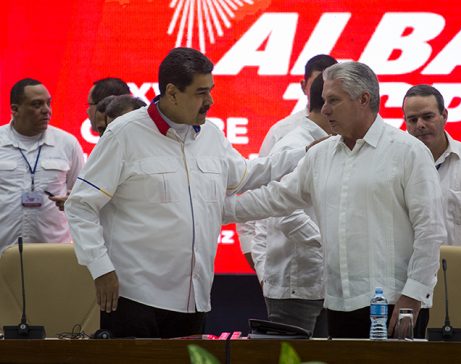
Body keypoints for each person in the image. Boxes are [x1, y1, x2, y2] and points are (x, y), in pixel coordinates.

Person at [64, 47, 305, 339]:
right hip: (134, 298)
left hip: (195, 299)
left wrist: (304, 153)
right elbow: (80, 205)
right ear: (172, 93)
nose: (210, 101)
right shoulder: (123, 135)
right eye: (201, 93)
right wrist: (100, 268)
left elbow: (246, 176)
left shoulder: (212, 136)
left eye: (211, 90)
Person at [224, 62, 446, 339]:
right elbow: (275, 198)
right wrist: (214, 211)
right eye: (323, 101)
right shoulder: (321, 154)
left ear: (364, 99)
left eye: (333, 100)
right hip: (338, 303)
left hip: (394, 303)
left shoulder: (408, 151)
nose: (324, 109)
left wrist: (413, 295)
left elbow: (431, 230)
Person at [237, 54, 338, 268]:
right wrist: (262, 271)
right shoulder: (284, 134)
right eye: (320, 85)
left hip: (327, 277)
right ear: (304, 86)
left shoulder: (343, 137)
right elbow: (267, 201)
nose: (324, 92)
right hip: (295, 275)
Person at [251, 74, 331, 334]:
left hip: (326, 284)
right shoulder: (294, 145)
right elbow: (285, 212)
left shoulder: (333, 144)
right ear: (328, 104)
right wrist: (331, 246)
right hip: (297, 287)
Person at [0, 78, 84, 251]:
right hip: (3, 249)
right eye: (37, 105)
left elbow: (80, 193)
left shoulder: (67, 143)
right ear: (15, 109)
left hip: (52, 252)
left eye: (48, 103)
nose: (47, 111)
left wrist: (71, 201)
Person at [403, 84, 461, 247]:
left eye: (427, 117)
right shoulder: (395, 165)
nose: (420, 124)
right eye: (413, 119)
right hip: (410, 270)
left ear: (444, 115)